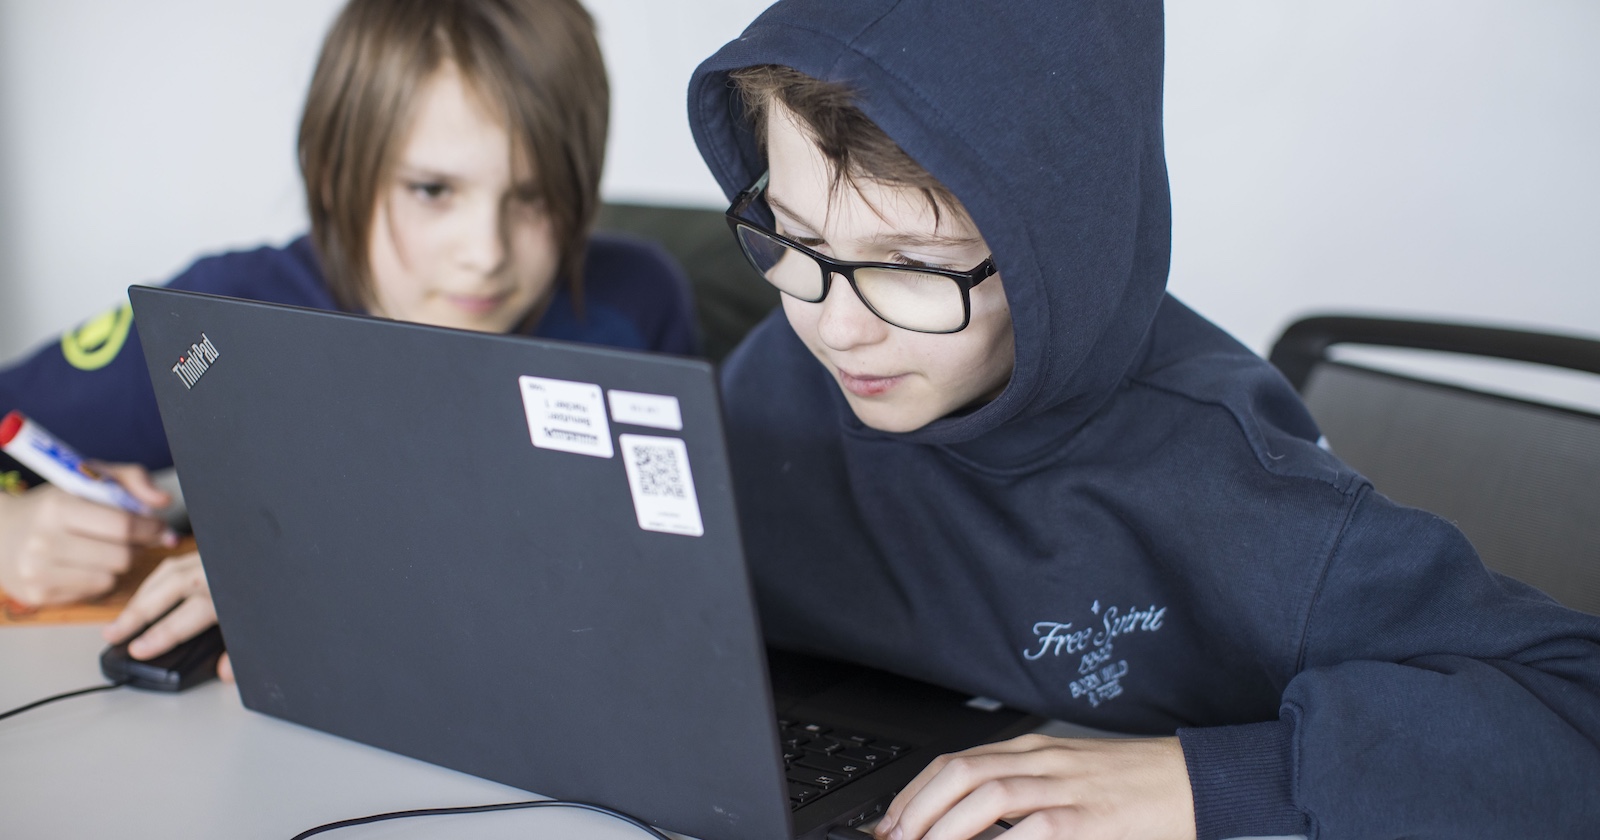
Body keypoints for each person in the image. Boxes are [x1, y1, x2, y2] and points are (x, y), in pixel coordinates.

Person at [687, 1, 1600, 838]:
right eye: (797, 238)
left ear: (1062, 254)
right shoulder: (784, 373)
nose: (837, 328)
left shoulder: (1243, 493)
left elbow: (1574, 704)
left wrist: (1208, 782)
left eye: (911, 267)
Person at [0, 0, 696, 676]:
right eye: (432, 190)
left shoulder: (632, 308)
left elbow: (675, 573)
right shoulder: (214, 327)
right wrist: (11, 532)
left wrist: (325, 582)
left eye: (533, 196)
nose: (485, 251)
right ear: (334, 174)